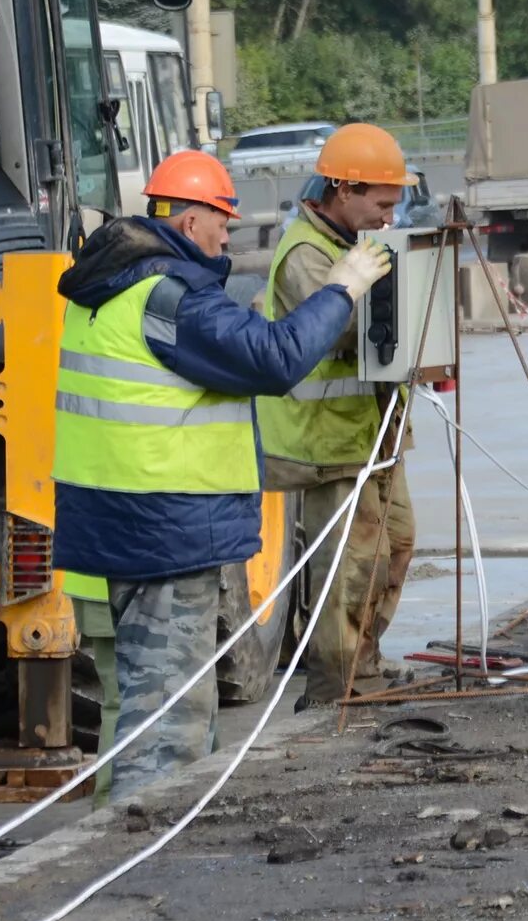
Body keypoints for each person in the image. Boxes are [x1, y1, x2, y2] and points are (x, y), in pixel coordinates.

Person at [53, 151, 389, 790]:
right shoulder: (169, 298)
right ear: (186, 223)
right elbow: (275, 358)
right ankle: (138, 855)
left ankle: (139, 841)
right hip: (165, 531)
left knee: (152, 707)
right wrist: (342, 286)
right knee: (167, 732)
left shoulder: (106, 289)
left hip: (120, 523)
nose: (229, 234)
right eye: (222, 220)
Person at [258, 124, 421, 708]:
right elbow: (338, 329)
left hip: (375, 435)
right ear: (343, 190)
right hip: (328, 445)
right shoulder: (306, 253)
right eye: (381, 203)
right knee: (345, 570)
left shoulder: (351, 244)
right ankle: (334, 686)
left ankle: (365, 661)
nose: (389, 215)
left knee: (395, 546)